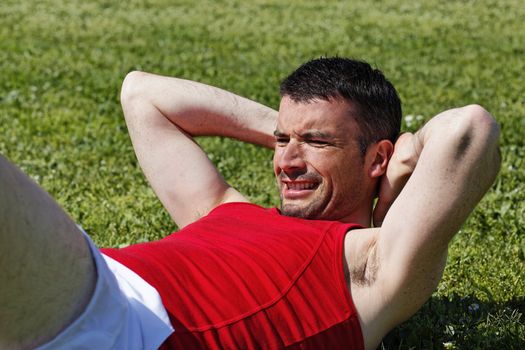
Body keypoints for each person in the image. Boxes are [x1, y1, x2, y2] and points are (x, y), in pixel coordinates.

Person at [0, 57, 500, 350]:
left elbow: (469, 128)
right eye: (282, 140)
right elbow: (142, 94)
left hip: (118, 323)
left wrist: (399, 171)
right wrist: (295, 137)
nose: (286, 161)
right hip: (90, 283)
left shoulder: (372, 267)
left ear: (378, 157)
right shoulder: (221, 207)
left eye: (318, 142)